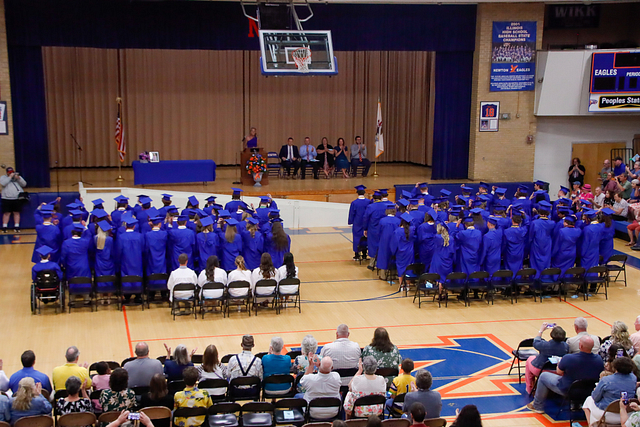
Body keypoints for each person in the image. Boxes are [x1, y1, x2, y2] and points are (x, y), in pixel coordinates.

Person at [527, 335, 603, 414]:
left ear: (580, 346)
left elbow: (559, 372)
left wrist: (559, 364)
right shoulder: (599, 359)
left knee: (543, 376)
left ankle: (538, 406)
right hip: (589, 391)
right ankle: (577, 404)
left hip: (568, 390)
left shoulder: (569, 358)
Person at [582, 357, 637, 426]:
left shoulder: (606, 380)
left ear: (615, 367)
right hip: (628, 414)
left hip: (608, 415)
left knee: (588, 400)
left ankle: (591, 425)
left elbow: (595, 397)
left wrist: (596, 390)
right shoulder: (633, 378)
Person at [525, 323, 569, 395]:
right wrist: (557, 330)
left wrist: (541, 330)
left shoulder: (544, 345)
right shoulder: (566, 346)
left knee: (530, 359)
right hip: (558, 371)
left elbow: (535, 342)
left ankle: (530, 389)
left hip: (541, 370)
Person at [391, 213, 416, 291]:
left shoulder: (397, 231)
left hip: (400, 252)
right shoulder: (412, 230)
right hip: (410, 252)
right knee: (409, 268)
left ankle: (401, 285)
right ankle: (408, 285)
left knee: (400, 267)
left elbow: (395, 243)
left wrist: (393, 252)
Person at [0, 167, 27, 233]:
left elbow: (24, 184)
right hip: (6, 198)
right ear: (7, 173)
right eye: (9, 173)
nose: (11, 173)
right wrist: (10, 177)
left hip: (17, 198)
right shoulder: (3, 177)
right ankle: (4, 226)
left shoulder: (17, 177)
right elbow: (3, 183)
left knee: (16, 212)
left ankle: (17, 226)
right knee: (7, 213)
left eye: (12, 172)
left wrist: (19, 178)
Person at [349, 185, 371, 260]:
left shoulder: (354, 203)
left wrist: (351, 221)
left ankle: (357, 255)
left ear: (357, 193)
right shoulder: (368, 202)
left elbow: (352, 213)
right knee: (366, 237)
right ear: (364, 193)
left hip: (357, 222)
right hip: (367, 222)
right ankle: (364, 255)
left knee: (356, 238)